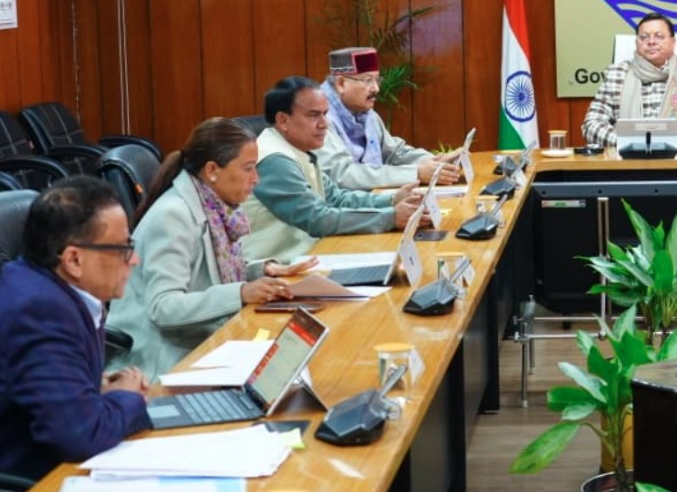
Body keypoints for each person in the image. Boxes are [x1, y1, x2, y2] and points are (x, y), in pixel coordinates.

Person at [106, 118, 318, 380]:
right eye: (248, 168)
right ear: (212, 170)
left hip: (203, 341)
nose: (256, 179)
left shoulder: (214, 207)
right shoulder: (173, 216)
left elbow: (208, 272)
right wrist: (241, 292)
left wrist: (263, 271)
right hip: (162, 361)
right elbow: (164, 308)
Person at [0, 177, 152, 480]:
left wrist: (91, 390)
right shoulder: (40, 310)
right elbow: (81, 434)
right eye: (123, 248)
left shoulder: (50, 288)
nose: (134, 260)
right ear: (74, 259)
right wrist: (128, 396)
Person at [241, 77, 422, 262]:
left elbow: (335, 198)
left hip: (310, 255)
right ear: (283, 120)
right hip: (278, 269)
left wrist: (392, 200)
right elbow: (316, 218)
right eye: (313, 115)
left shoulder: (297, 149)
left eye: (325, 114)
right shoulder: (274, 159)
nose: (324, 124)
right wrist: (391, 218)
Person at [318, 47, 461, 190]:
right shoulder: (319, 117)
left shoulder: (365, 112)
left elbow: (393, 153)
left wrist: (434, 162)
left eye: (377, 80)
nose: (376, 88)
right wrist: (416, 173)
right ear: (341, 83)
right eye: (368, 80)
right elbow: (343, 175)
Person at [581, 12, 677, 147]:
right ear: (636, 42)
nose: (651, 41)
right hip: (627, 160)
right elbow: (591, 124)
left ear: (673, 42)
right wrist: (626, 141)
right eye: (644, 37)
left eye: (659, 36)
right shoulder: (616, 74)